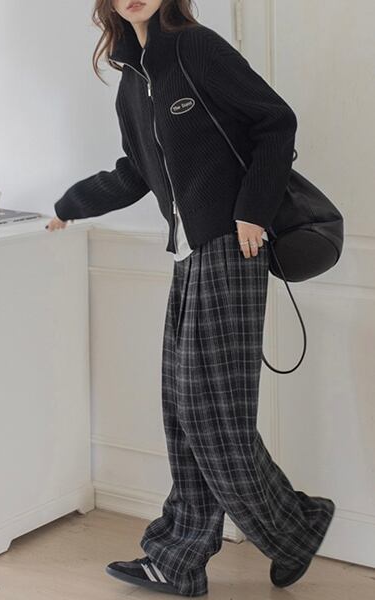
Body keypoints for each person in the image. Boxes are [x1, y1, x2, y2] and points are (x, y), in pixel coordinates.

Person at [47, 0, 336, 596]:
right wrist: (69, 206)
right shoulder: (132, 81)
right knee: (184, 414)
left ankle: (294, 528)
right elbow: (136, 171)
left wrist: (253, 211)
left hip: (232, 249)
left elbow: (275, 122)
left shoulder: (195, 48)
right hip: (188, 255)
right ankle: (179, 558)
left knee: (213, 419)